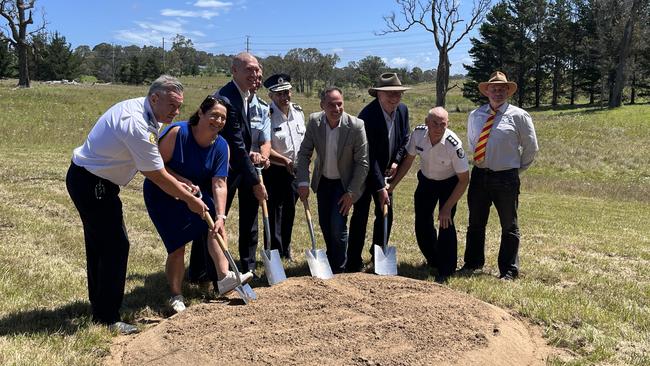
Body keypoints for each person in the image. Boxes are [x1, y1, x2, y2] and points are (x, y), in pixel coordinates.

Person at [66, 75, 206, 334]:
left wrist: (182, 183)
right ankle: (107, 317)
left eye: (179, 106)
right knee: (114, 246)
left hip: (92, 180)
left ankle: (100, 307)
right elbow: (155, 175)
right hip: (92, 183)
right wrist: (190, 200)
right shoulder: (137, 123)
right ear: (154, 98)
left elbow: (155, 165)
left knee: (101, 244)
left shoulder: (146, 112)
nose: (177, 112)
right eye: (172, 106)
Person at [143, 96, 254, 313]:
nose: (219, 121)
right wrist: (181, 182)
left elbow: (220, 183)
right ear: (201, 113)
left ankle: (224, 277)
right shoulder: (178, 133)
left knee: (216, 225)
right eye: (214, 115)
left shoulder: (222, 146)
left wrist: (221, 216)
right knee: (178, 246)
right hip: (162, 193)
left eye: (223, 118)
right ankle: (176, 295)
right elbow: (154, 166)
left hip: (194, 195)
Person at [188, 52, 268, 277]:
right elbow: (236, 144)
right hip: (224, 171)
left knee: (249, 219)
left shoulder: (245, 95)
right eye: (249, 69)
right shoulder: (227, 98)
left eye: (258, 69)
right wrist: (256, 182)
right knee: (213, 220)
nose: (256, 73)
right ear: (234, 71)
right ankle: (203, 272)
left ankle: (248, 266)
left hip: (241, 166)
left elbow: (242, 141)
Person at [461, 71, 539, 280]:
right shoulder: (475, 115)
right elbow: (472, 142)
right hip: (479, 175)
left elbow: (531, 148)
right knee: (475, 222)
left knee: (509, 225)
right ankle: (472, 263)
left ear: (508, 91)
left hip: (506, 178)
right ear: (487, 91)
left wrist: (515, 169)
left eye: (502, 89)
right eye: (493, 89)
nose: (497, 92)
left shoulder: (519, 116)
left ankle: (509, 270)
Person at [388, 107, 469, 283]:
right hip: (426, 181)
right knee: (422, 223)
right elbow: (408, 161)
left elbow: (464, 179)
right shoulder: (418, 134)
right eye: (434, 123)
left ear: (447, 125)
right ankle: (434, 259)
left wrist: (447, 207)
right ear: (426, 122)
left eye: (443, 124)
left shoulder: (453, 144)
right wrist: (393, 185)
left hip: (449, 183)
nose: (438, 128)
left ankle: (446, 270)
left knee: (445, 222)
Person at [296, 87, 369, 273]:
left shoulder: (356, 126)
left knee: (338, 227)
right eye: (331, 105)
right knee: (325, 225)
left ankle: (339, 269)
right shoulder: (314, 122)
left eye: (340, 104)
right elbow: (304, 154)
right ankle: (331, 259)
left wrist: (351, 193)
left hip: (343, 185)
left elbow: (363, 163)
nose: (336, 108)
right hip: (323, 182)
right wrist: (302, 182)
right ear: (322, 106)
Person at [348, 73, 411, 272]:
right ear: (378, 95)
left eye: (398, 94)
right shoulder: (367, 116)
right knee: (361, 214)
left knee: (385, 214)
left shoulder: (402, 110)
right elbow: (369, 155)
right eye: (389, 94)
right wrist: (380, 186)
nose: (394, 98)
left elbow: (404, 138)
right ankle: (353, 259)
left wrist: (396, 161)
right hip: (364, 170)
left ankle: (378, 254)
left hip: (386, 170)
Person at [261, 73, 305, 260]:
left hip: (295, 170)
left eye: (286, 92)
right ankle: (274, 251)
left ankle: (285, 250)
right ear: (271, 96)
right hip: (276, 170)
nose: (284, 97)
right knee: (274, 213)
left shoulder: (298, 112)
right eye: (279, 94)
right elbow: (264, 145)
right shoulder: (267, 115)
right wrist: (284, 160)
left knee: (289, 211)